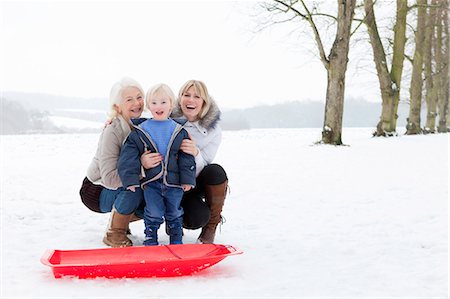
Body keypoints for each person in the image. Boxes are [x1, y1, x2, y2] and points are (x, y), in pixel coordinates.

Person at [141, 79, 228, 244]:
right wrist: (114, 120)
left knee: (215, 173)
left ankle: (210, 227)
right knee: (147, 195)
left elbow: (206, 164)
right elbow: (139, 127)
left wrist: (195, 153)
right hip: (162, 181)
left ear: (204, 102)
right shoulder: (163, 116)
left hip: (190, 183)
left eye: (197, 96)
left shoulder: (213, 129)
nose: (191, 100)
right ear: (179, 99)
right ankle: (125, 228)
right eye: (186, 95)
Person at [117, 83, 196, 246]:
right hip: (151, 182)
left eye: (163, 102)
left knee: (174, 211)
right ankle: (150, 235)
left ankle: (176, 235)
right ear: (148, 105)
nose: (158, 106)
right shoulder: (140, 131)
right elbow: (128, 158)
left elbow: (186, 157)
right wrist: (131, 180)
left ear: (171, 104)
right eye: (154, 103)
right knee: (154, 211)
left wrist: (188, 180)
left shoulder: (179, 130)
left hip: (174, 183)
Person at [79, 77, 146, 248]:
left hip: (118, 185)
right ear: (117, 107)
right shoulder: (112, 131)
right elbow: (109, 178)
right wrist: (142, 170)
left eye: (139, 97)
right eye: (129, 100)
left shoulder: (142, 126)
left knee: (155, 195)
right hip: (97, 189)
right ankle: (114, 233)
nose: (137, 103)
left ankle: (121, 223)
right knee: (134, 186)